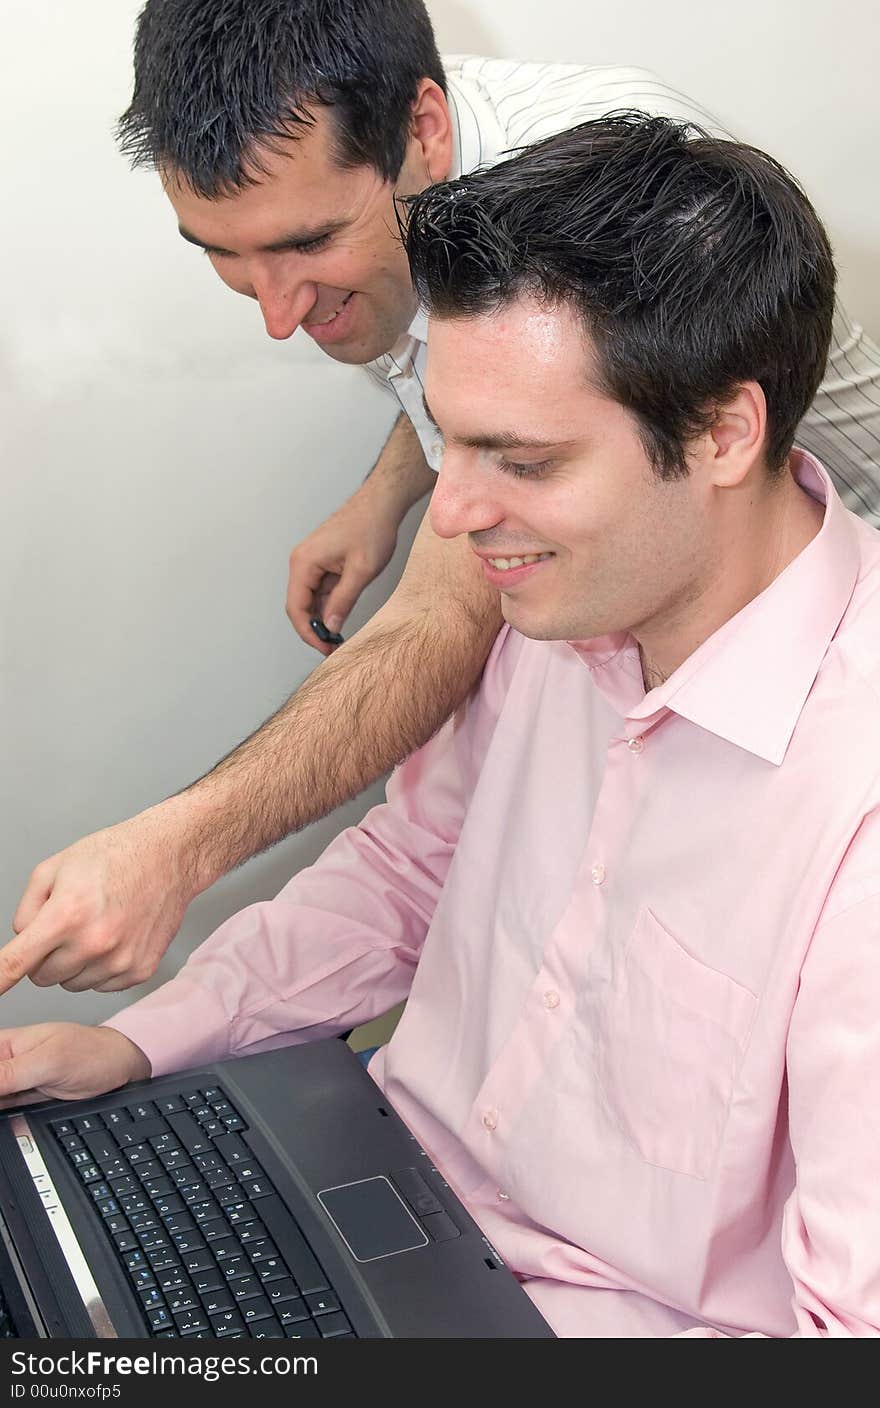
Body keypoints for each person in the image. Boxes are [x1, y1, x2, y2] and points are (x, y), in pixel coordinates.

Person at [3, 113, 880, 1338]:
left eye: (517, 460)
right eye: (447, 440)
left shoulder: (855, 808)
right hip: (373, 1187)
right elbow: (409, 873)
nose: (455, 519)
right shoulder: (572, 607)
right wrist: (142, 1048)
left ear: (725, 431)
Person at [6, 0, 880, 997]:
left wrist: (182, 845)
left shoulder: (598, 199)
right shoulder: (394, 192)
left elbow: (433, 615)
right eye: (223, 253)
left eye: (308, 242)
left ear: (424, 131)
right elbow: (470, 395)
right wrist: (385, 493)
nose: (278, 316)